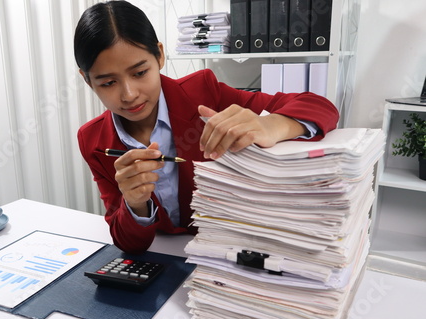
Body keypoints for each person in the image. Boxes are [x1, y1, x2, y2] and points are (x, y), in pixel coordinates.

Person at [74, 1, 339, 254]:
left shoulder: (202, 92)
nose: (129, 94)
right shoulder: (93, 140)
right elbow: (129, 244)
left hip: (231, 248)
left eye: (140, 73)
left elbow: (321, 107)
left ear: (160, 55)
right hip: (165, 259)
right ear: (87, 81)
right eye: (108, 83)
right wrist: (134, 204)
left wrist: (270, 124)